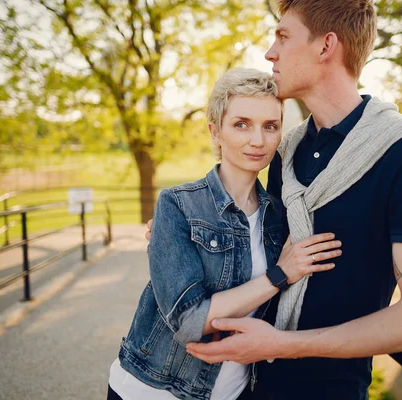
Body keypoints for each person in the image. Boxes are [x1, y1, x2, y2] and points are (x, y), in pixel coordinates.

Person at [183, 1, 402, 399]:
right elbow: (247, 238)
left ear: (325, 46)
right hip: (246, 383)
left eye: (283, 36)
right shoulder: (284, 153)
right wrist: (182, 223)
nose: (269, 53)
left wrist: (281, 345)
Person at [107, 68, 342, 400]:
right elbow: (189, 322)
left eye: (270, 126)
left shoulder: (281, 218)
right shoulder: (177, 205)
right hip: (155, 389)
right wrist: (280, 274)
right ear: (215, 131)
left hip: (235, 391)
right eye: (241, 124)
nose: (257, 140)